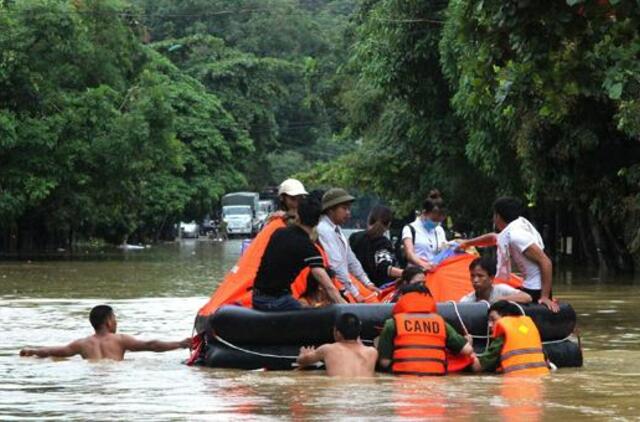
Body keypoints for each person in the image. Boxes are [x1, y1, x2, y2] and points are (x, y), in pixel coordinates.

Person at [458, 197, 558, 312]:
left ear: (498, 216)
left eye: (494, 216)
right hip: (529, 285)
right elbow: (492, 238)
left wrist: (545, 297)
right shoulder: (512, 230)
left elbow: (546, 262)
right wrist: (467, 243)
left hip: (535, 290)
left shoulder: (516, 236)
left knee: (498, 306)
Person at [253, 196, 346, 311]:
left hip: (257, 297)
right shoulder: (308, 248)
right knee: (314, 319)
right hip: (276, 301)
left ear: (298, 215)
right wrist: (348, 309)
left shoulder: (279, 233)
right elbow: (328, 286)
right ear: (318, 221)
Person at [19, 305, 191, 361]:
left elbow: (54, 351)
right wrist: (181, 344)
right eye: (114, 318)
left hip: (92, 378)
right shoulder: (120, 339)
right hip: (114, 377)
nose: (116, 321)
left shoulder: (82, 344)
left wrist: (32, 350)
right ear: (109, 322)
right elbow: (150, 345)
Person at [377, 284, 480, 375]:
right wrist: (468, 341)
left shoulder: (392, 323)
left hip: (402, 379)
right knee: (472, 358)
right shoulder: (440, 323)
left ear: (403, 299)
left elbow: (384, 362)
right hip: (436, 379)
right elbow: (467, 350)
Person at [317, 188, 381, 302]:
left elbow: (351, 260)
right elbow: (336, 265)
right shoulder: (324, 230)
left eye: (348, 209)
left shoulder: (336, 229)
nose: (348, 213)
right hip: (333, 285)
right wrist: (355, 293)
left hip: (343, 283)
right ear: (331, 210)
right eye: (344, 209)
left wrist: (367, 283)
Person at [475, 300, 549, 376]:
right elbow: (547, 362)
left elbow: (478, 367)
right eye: (489, 321)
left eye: (493, 319)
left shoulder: (502, 338)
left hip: (516, 382)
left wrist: (469, 350)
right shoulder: (525, 330)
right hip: (540, 381)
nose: (490, 325)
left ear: (507, 316)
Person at [296, 313, 378, 377]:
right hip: (364, 394)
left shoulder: (327, 350)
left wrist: (304, 355)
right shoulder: (372, 352)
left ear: (337, 333)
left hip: (339, 394)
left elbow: (301, 361)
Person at [349, 205, 403, 287]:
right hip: (376, 288)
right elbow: (383, 267)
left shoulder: (354, 237)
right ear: (389, 224)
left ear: (369, 220)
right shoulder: (383, 243)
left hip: (356, 285)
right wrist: (406, 273)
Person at [459, 256, 532, 304]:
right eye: (472, 276)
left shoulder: (501, 290)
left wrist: (501, 300)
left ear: (491, 278)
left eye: (480, 276)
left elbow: (527, 297)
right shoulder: (466, 301)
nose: (475, 280)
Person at [402, 197, 447, 272]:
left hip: (436, 272)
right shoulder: (410, 229)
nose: (436, 223)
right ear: (424, 213)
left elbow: (444, 249)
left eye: (438, 221)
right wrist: (423, 264)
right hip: (417, 274)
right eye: (433, 220)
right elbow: (409, 253)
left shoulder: (439, 230)